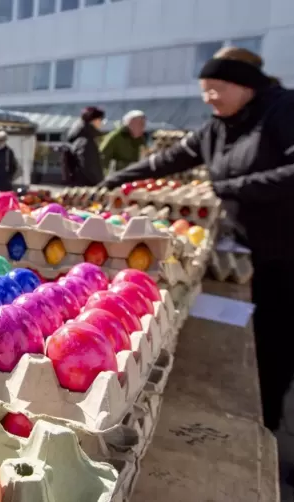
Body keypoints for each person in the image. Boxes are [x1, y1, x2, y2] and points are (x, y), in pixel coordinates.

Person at [100, 47, 294, 432]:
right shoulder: (217, 126)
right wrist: (117, 179)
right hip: (238, 246)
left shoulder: (282, 110)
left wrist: (230, 187)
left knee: (274, 340)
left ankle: (268, 425)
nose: (209, 98)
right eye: (205, 89)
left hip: (282, 250)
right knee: (245, 340)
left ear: (245, 85)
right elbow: (169, 159)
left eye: (217, 88)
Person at [62, 106, 105, 186]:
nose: (102, 123)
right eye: (100, 119)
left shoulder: (80, 137)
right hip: (88, 187)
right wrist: (101, 184)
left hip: (80, 185)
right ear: (93, 120)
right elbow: (90, 167)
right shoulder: (85, 141)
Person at [99, 110, 146, 174]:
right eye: (140, 124)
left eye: (143, 124)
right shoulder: (115, 137)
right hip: (118, 175)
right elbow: (102, 157)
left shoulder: (139, 138)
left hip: (135, 174)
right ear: (130, 123)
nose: (143, 127)